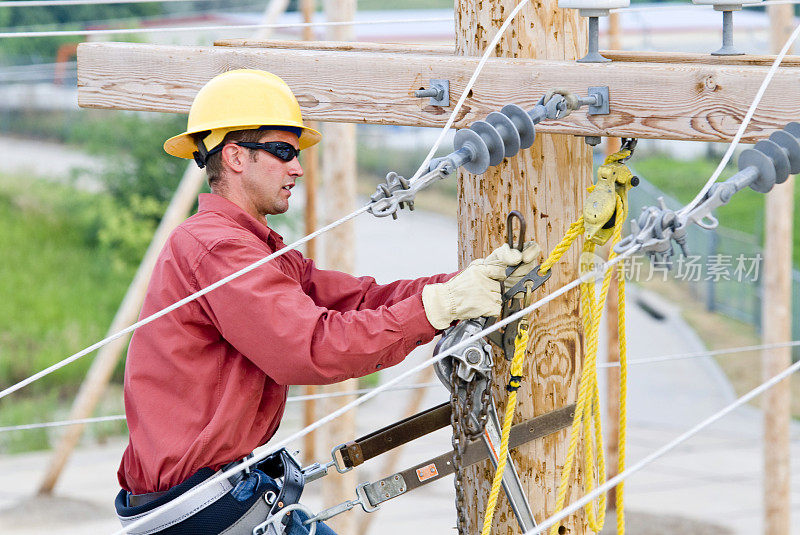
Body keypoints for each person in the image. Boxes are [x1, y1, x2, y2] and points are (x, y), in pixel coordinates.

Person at [113, 69, 539, 535]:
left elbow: (357, 302)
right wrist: (437, 307)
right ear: (234, 157)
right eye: (282, 152)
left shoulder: (251, 246)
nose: (296, 167)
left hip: (221, 496)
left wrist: (463, 284)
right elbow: (311, 347)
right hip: (200, 510)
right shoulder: (219, 249)